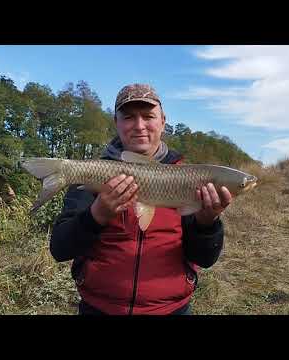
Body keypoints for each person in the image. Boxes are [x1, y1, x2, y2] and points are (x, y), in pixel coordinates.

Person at [49, 84, 234, 315]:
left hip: (170, 309)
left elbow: (204, 259)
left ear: (163, 121)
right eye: (128, 117)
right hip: (100, 308)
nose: (139, 126)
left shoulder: (188, 177)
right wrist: (97, 215)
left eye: (148, 116)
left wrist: (207, 224)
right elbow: (59, 249)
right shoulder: (93, 173)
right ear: (116, 122)